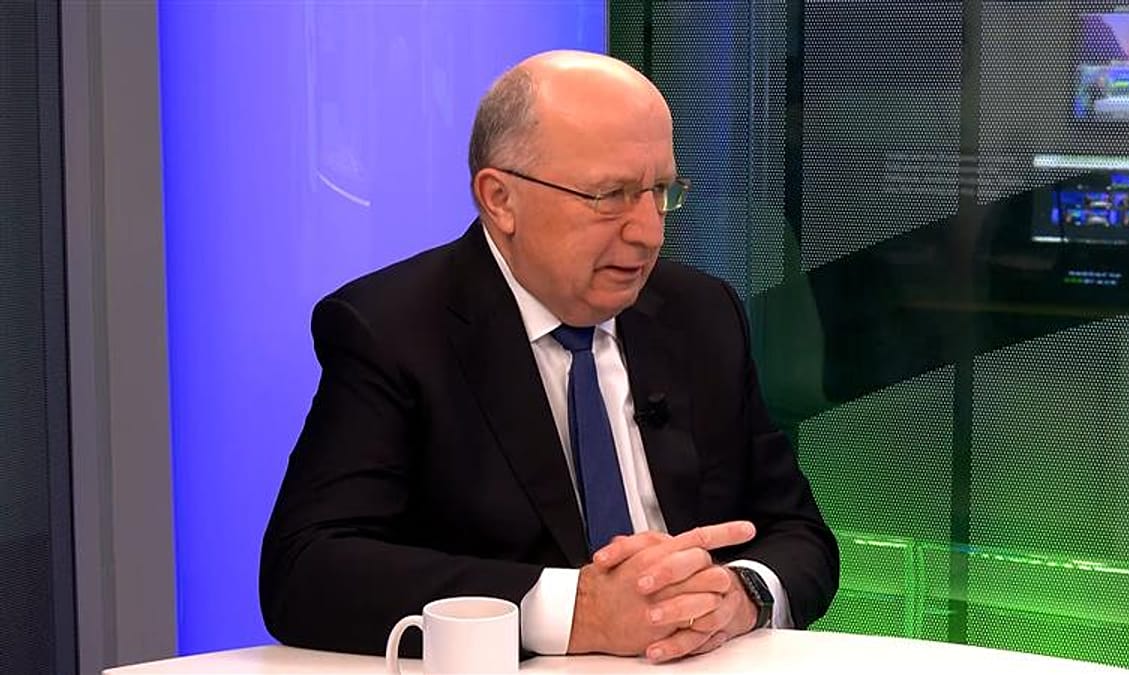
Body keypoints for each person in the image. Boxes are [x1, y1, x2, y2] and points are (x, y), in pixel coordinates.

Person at [259, 49, 839, 664]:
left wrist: (741, 592)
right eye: (610, 195)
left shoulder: (701, 313)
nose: (649, 232)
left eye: (660, 192)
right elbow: (306, 570)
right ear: (500, 199)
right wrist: (577, 609)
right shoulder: (392, 330)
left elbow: (800, 535)